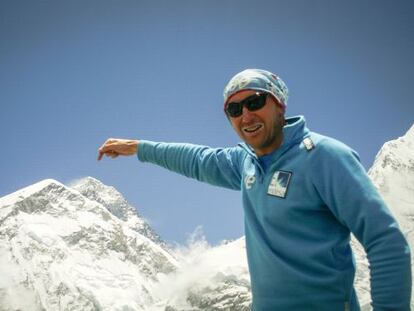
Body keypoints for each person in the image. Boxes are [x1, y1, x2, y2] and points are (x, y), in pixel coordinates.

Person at [97, 69, 411, 310]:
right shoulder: (244, 163)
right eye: (234, 110)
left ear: (279, 104)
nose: (245, 115)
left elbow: (386, 241)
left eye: (255, 102)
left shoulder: (325, 157)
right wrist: (138, 147)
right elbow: (195, 159)